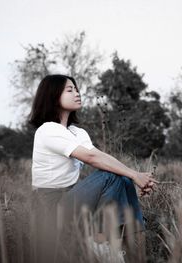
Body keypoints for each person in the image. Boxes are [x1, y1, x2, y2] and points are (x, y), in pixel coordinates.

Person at [28, 74, 159, 262]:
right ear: (53, 96)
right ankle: (99, 241)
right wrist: (135, 174)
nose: (77, 93)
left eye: (76, 89)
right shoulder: (48, 130)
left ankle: (135, 241)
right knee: (111, 175)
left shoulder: (76, 132)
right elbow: (91, 158)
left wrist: (133, 176)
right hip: (50, 207)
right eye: (69, 89)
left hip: (72, 199)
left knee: (121, 177)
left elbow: (99, 155)